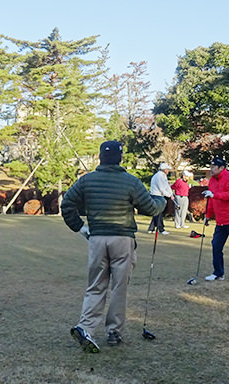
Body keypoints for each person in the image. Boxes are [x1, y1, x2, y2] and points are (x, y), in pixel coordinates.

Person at [62, 140, 166, 353]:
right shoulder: (130, 181)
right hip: (122, 239)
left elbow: (66, 205)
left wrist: (81, 228)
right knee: (119, 286)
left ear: (100, 157)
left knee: (96, 285)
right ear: (120, 157)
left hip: (97, 237)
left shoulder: (86, 181)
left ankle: (85, 327)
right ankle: (114, 331)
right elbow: (150, 208)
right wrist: (162, 201)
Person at [147, 162, 174, 235]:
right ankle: (161, 229)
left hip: (158, 196)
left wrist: (171, 194)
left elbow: (167, 186)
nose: (168, 171)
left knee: (157, 213)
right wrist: (169, 195)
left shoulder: (162, 176)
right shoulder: (160, 176)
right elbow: (162, 188)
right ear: (164, 170)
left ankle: (151, 228)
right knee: (159, 213)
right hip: (157, 196)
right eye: (167, 169)